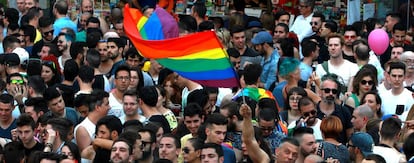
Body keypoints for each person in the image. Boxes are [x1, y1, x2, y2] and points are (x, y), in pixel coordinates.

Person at [316, 74, 353, 144]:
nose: (331, 93)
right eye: (327, 90)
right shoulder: (313, 111)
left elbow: (350, 137)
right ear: (320, 92)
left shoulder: (344, 111)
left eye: (334, 91)